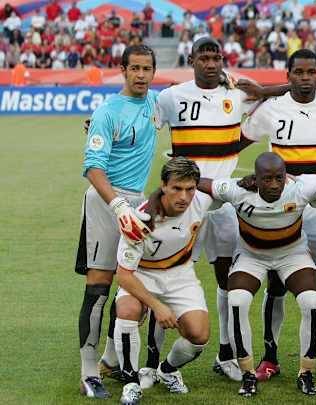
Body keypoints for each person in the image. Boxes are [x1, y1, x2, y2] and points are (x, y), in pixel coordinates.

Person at [154, 37, 288, 383]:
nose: (211, 63)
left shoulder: (237, 93)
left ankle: (226, 354)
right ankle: (152, 363)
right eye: (204, 58)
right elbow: (143, 121)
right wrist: (103, 123)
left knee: (227, 276)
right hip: (185, 201)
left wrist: (278, 87)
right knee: (164, 274)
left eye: (216, 57)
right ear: (191, 60)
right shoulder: (171, 97)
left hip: (225, 202)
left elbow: (268, 94)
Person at [239, 49, 316, 382]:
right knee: (276, 282)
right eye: (299, 72)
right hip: (285, 206)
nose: (305, 78)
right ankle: (270, 357)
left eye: (311, 72)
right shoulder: (272, 108)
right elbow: (238, 142)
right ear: (288, 75)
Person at [196, 153, 316, 396]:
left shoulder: (301, 188)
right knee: (237, 300)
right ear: (254, 179)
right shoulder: (237, 189)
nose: (275, 184)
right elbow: (199, 182)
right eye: (267, 179)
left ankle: (306, 373)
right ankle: (248, 375)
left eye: (279, 178)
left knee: (311, 301)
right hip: (251, 256)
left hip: (292, 254)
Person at [75, 45, 158, 399]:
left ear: (153, 72)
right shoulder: (107, 111)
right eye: (134, 68)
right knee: (99, 286)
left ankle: (110, 358)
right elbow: (93, 168)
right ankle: (88, 372)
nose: (140, 74)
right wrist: (118, 204)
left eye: (146, 68)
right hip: (106, 202)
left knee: (135, 288)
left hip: (137, 204)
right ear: (123, 70)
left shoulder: (156, 103)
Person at [115, 157, 212, 405]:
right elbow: (123, 275)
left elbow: (234, 189)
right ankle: (130, 382)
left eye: (190, 189)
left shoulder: (202, 200)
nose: (184, 196)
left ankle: (167, 370)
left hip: (180, 275)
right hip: (142, 275)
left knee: (199, 335)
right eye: (176, 188)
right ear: (163, 186)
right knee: (127, 310)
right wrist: (157, 306)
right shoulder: (140, 219)